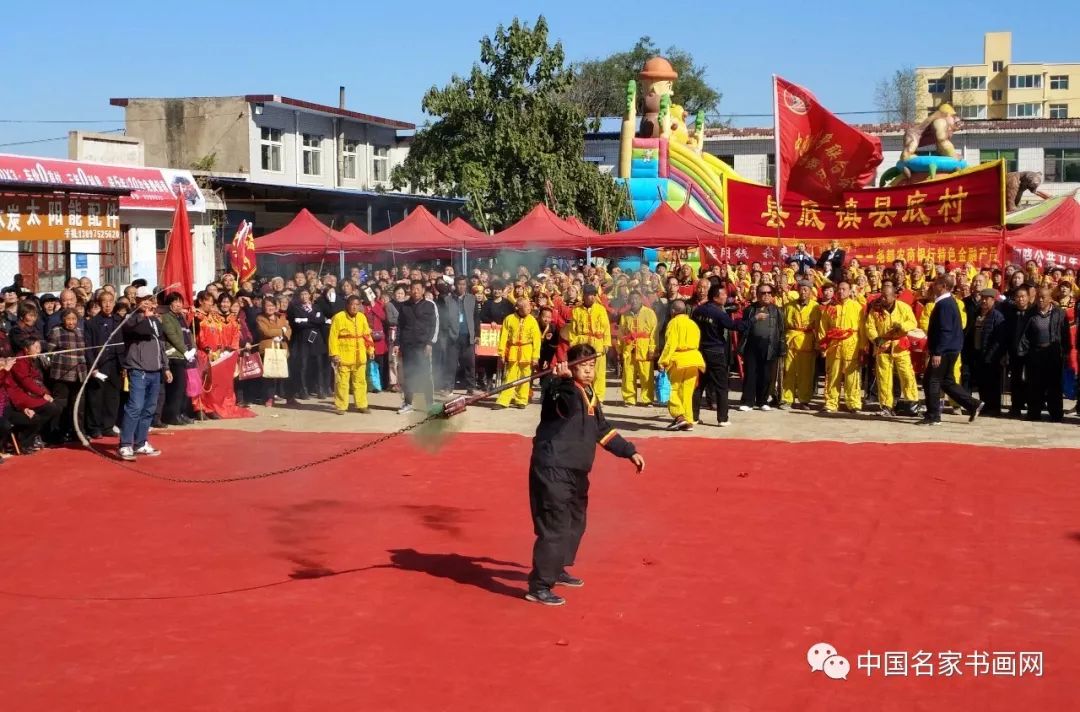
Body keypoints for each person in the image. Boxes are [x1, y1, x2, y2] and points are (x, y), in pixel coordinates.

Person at [526, 343, 645, 607]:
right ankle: (540, 585)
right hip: (553, 467)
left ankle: (557, 568)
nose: (589, 371)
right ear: (571, 366)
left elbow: (601, 429)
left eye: (592, 366)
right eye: (583, 366)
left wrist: (629, 451)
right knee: (555, 525)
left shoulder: (589, 393)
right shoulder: (564, 391)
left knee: (575, 521)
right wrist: (558, 380)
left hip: (577, 470)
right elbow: (558, 400)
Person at [118, 287, 172, 460]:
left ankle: (141, 442)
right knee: (135, 406)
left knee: (149, 408)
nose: (148, 302)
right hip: (138, 369)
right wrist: (144, 317)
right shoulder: (131, 318)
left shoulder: (156, 321)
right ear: (137, 301)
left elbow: (160, 343)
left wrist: (166, 367)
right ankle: (126, 444)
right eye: (144, 299)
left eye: (150, 298)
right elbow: (138, 331)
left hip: (155, 370)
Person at [922, 276, 982, 425]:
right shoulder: (948, 302)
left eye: (935, 284)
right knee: (947, 381)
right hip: (950, 349)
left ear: (942, 286)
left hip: (945, 350)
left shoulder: (945, 304)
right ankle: (973, 404)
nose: (932, 286)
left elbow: (945, 330)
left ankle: (933, 415)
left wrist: (937, 352)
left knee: (932, 380)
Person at [864, 281, 919, 417]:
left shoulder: (904, 307)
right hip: (883, 347)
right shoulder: (875, 310)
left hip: (900, 347)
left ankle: (912, 403)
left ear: (894, 296)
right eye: (882, 296)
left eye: (886, 296)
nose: (883, 299)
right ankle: (886, 406)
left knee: (907, 375)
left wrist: (901, 326)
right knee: (884, 378)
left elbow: (912, 322)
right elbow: (869, 327)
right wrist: (876, 339)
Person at [691, 284, 743, 426]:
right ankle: (722, 419)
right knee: (721, 386)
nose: (726, 297)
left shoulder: (698, 311)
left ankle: (694, 416)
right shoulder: (719, 313)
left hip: (700, 351)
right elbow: (733, 326)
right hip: (716, 351)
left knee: (699, 385)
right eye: (723, 295)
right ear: (715, 297)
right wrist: (751, 320)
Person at [1021, 286, 1070, 422]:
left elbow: (1065, 334)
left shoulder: (1059, 313)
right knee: (1035, 384)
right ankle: (1034, 413)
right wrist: (1024, 351)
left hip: (1053, 352)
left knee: (1054, 385)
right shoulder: (1031, 313)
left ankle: (1056, 414)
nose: (1040, 300)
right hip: (1035, 353)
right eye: (1038, 297)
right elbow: (1025, 334)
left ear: (1050, 299)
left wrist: (1066, 351)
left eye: (1043, 297)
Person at [818, 281, 865, 414]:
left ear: (850, 291)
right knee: (833, 374)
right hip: (834, 344)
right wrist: (823, 344)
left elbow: (862, 328)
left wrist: (862, 347)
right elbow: (823, 326)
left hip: (852, 344)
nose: (841, 291)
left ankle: (853, 403)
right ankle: (831, 403)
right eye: (839, 289)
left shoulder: (858, 307)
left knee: (852, 376)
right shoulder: (831, 307)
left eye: (844, 289)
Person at [658, 299, 705, 431]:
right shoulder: (693, 324)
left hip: (678, 359)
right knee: (686, 392)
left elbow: (670, 344)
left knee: (670, 389)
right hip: (694, 359)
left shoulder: (674, 323)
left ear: (673, 311)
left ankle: (679, 416)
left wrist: (663, 361)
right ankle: (688, 420)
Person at [84, 291, 125, 438]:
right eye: (104, 302)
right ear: (99, 304)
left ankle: (108, 426)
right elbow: (88, 347)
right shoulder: (91, 323)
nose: (107, 305)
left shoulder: (119, 321)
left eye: (110, 301)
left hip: (115, 363)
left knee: (113, 396)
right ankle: (94, 427)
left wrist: (124, 365)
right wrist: (92, 366)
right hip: (99, 364)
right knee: (96, 397)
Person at [738, 284, 786, 411]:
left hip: (770, 345)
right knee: (751, 374)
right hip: (752, 345)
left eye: (769, 293)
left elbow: (781, 330)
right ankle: (748, 401)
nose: (766, 295)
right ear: (757, 295)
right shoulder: (750, 310)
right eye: (763, 293)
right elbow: (743, 327)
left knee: (766, 375)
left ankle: (762, 400)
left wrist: (781, 348)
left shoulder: (777, 310)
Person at [45, 308, 87, 442]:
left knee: (77, 405)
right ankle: (56, 433)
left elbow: (84, 351)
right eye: (68, 319)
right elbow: (48, 352)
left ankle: (77, 432)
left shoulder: (80, 331)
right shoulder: (56, 331)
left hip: (79, 373)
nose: (71, 322)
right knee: (60, 404)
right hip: (61, 373)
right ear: (63, 320)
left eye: (74, 319)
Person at [327, 295, 375, 415]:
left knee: (360, 382)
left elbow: (367, 335)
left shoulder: (362, 317)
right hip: (343, 355)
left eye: (357, 305)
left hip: (360, 356)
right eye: (352, 304)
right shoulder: (338, 317)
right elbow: (332, 337)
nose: (354, 307)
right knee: (342, 382)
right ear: (347, 305)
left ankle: (362, 405)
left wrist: (371, 349)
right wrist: (334, 354)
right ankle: (341, 406)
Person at [396, 279, 438, 414]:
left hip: (423, 345)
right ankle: (407, 403)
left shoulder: (429, 306)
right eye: (413, 289)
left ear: (423, 290)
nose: (415, 291)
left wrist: (430, 343)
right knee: (408, 374)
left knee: (425, 374)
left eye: (418, 289)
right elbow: (400, 327)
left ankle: (429, 404)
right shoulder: (404, 307)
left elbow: (433, 326)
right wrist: (397, 344)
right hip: (407, 344)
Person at [495, 296, 541, 409]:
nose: (528, 308)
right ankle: (504, 400)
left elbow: (537, 340)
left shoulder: (532, 321)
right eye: (525, 306)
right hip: (513, 351)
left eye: (528, 306)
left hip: (527, 351)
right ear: (518, 308)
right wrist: (501, 353)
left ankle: (521, 400)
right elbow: (503, 337)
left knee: (525, 377)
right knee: (510, 376)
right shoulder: (509, 319)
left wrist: (535, 356)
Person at [781, 280, 821, 410]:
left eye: (806, 289)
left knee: (806, 373)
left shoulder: (816, 307)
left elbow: (819, 326)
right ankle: (787, 399)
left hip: (807, 341)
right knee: (789, 371)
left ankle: (804, 400)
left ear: (810, 292)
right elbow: (784, 325)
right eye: (801, 289)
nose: (803, 292)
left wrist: (818, 343)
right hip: (791, 340)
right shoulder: (789, 306)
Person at [568, 285, 611, 403]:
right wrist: (573, 345)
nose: (591, 297)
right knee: (582, 370)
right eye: (588, 294)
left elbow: (606, 328)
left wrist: (606, 343)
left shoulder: (601, 309)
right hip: (582, 342)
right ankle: (583, 394)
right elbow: (572, 330)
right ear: (583, 296)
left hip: (598, 342)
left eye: (593, 294)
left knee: (598, 371)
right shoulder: (576, 310)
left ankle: (599, 397)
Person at [160, 293, 195, 426]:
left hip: (185, 356)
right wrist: (186, 351)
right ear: (170, 304)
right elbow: (172, 336)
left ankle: (181, 413)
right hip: (174, 356)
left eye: (180, 302)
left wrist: (193, 349)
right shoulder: (167, 318)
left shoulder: (181, 317)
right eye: (175, 302)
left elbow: (188, 334)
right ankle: (172, 415)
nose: (179, 304)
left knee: (184, 388)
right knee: (176, 389)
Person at [971, 288, 1006, 416]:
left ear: (993, 300)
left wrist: (992, 354)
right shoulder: (977, 313)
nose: (984, 301)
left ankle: (994, 408)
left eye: (987, 299)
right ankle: (984, 405)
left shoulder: (997, 316)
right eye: (983, 298)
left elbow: (999, 339)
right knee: (982, 383)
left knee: (993, 384)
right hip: (978, 353)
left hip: (992, 356)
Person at [618, 291, 657, 407]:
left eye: (636, 298)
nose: (634, 301)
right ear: (629, 301)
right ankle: (629, 399)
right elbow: (621, 333)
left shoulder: (649, 313)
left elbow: (654, 334)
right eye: (632, 299)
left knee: (646, 376)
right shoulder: (625, 315)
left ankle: (647, 399)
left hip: (644, 349)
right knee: (628, 375)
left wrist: (652, 349)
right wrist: (620, 350)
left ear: (641, 300)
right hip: (629, 349)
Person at [256, 297, 291, 407]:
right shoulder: (260, 318)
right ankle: (268, 397)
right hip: (268, 349)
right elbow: (266, 331)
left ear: (276, 307)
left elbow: (289, 329)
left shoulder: (281, 317)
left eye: (272, 305)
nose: (270, 308)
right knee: (269, 375)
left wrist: (284, 333)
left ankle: (284, 395)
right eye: (267, 305)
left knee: (283, 373)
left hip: (281, 348)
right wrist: (281, 331)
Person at [1004, 286, 1032, 418]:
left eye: (1023, 296)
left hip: (1030, 352)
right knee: (1015, 379)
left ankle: (1030, 405)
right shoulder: (1010, 313)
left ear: (1028, 298)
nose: (1020, 299)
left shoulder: (1032, 313)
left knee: (1030, 379)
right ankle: (1015, 406)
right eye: (1018, 297)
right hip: (1014, 351)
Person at [452, 275, 478, 395]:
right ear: (455, 285)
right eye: (459, 284)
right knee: (451, 362)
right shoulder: (449, 299)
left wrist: (477, 334)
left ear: (466, 286)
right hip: (454, 335)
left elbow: (476, 317)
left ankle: (470, 386)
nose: (461, 286)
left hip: (468, 335)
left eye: (463, 284)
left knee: (470, 363)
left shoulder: (472, 299)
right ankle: (449, 386)